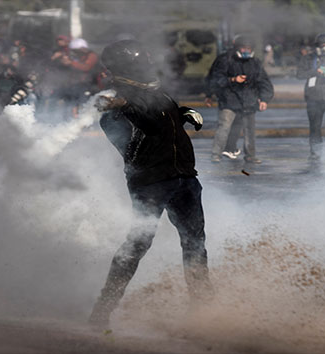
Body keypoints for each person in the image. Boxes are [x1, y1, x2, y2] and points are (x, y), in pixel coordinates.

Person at [89, 39, 212, 327]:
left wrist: (181, 113)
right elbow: (146, 128)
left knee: (195, 242)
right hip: (151, 182)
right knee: (138, 243)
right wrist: (126, 105)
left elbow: (162, 118)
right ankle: (103, 309)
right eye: (141, 61)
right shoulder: (114, 100)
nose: (148, 64)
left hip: (184, 176)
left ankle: (203, 307)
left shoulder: (150, 90)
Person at [208, 34, 274, 164]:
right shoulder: (225, 60)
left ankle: (250, 155)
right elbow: (216, 79)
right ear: (237, 48)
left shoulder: (254, 62)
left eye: (248, 49)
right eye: (243, 48)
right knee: (224, 127)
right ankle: (216, 154)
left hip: (249, 101)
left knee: (250, 130)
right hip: (229, 100)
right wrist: (232, 80)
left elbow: (263, 81)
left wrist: (264, 99)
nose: (246, 51)